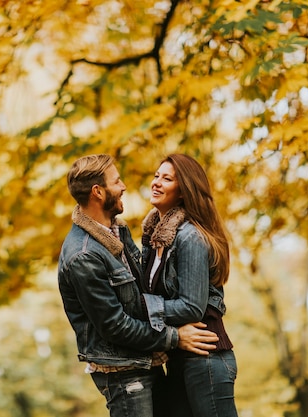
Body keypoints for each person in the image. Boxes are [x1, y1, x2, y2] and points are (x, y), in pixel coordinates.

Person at [57, 154, 219, 417]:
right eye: (117, 181)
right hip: (124, 375)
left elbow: (141, 293)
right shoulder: (84, 255)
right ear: (98, 192)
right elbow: (115, 326)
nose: (123, 187)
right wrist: (175, 338)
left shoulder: (116, 232)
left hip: (145, 362)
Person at [141, 153, 238, 417]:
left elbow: (192, 307)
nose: (156, 183)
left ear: (184, 191)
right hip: (178, 356)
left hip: (206, 359)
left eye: (167, 179)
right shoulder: (154, 240)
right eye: (156, 175)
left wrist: (141, 307)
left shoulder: (190, 237)